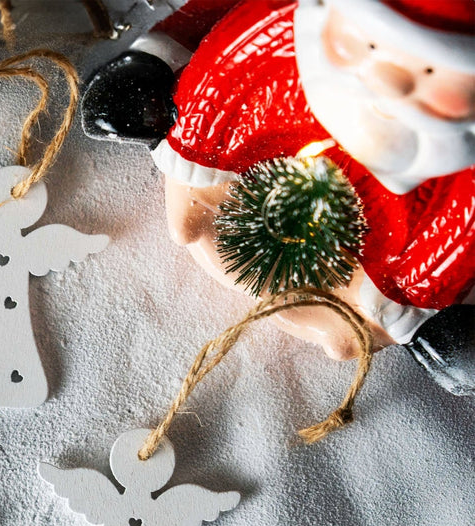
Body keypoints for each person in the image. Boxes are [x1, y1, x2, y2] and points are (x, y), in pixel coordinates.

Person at [81, 0, 475, 395]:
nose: (390, 82)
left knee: (347, 337)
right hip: (267, 121)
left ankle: (362, 313)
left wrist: (410, 299)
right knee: (188, 221)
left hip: (397, 213)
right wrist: (191, 132)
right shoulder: (289, 40)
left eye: (429, 73)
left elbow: (455, 226)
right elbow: (231, 74)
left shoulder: (456, 164)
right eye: (368, 47)